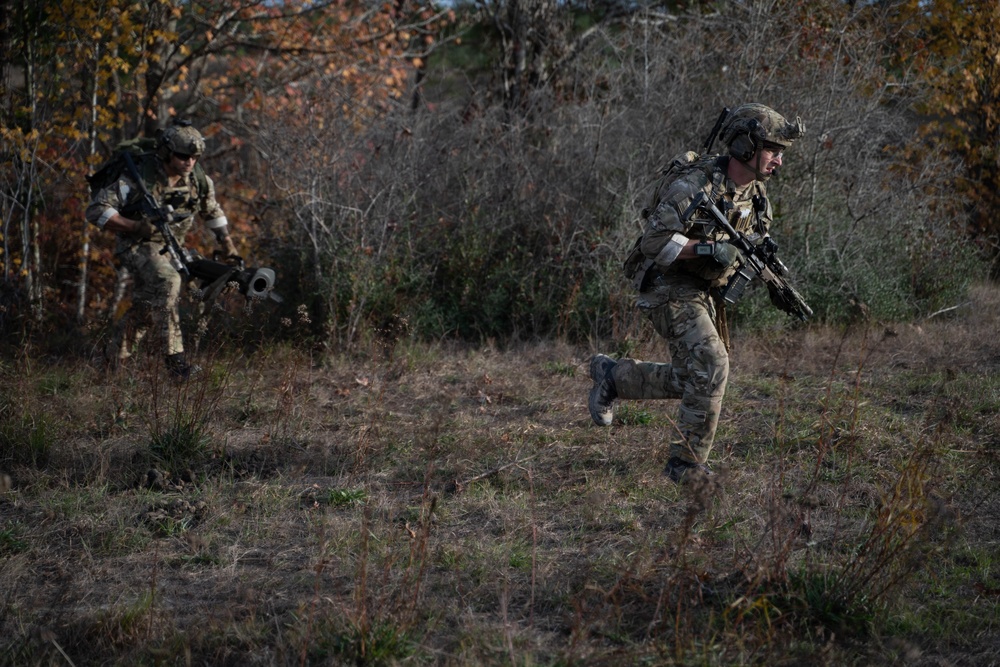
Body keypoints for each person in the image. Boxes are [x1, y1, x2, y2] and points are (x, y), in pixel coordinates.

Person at [588, 103, 805, 482]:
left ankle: (613, 376)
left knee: (697, 379)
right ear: (745, 146)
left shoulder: (756, 198)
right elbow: (653, 241)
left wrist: (771, 280)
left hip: (703, 290)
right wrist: (706, 249)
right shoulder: (694, 186)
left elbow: (755, 242)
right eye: (773, 150)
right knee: (713, 363)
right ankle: (685, 464)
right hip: (666, 284)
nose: (779, 162)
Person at [86, 121, 240, 380]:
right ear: (166, 152)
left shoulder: (198, 180)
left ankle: (111, 359)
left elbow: (212, 211)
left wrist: (230, 248)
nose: (189, 162)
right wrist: (135, 226)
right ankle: (176, 364)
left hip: (173, 247)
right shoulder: (139, 178)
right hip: (136, 245)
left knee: (148, 306)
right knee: (168, 282)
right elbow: (96, 211)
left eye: (194, 157)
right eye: (182, 156)